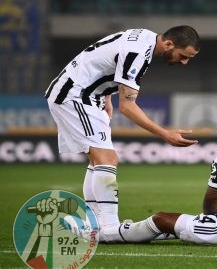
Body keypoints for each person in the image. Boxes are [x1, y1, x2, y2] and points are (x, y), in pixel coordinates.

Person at [45, 26, 201, 241]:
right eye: (183, 56)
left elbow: (103, 58)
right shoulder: (139, 53)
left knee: (98, 160)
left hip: (90, 94)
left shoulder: (143, 36)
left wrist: (107, 96)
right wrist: (165, 134)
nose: (184, 62)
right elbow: (127, 107)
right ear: (168, 44)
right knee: (107, 158)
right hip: (75, 95)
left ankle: (95, 223)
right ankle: (109, 227)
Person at [84, 109, 217, 246]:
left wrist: (210, 217)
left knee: (161, 219)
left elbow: (211, 200)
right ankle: (172, 230)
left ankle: (104, 234)